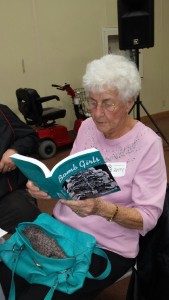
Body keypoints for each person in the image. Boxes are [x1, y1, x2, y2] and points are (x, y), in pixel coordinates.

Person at [0, 54, 167, 299]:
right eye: (92, 102)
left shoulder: (148, 144)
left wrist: (102, 208)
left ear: (129, 101)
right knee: (8, 270)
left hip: (108, 246)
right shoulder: (89, 127)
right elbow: (71, 178)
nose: (97, 113)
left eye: (108, 103)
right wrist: (46, 187)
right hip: (62, 229)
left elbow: (148, 218)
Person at [0, 104, 41, 233]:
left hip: (8, 195)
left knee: (36, 229)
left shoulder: (2, 112)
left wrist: (15, 151)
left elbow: (31, 137)